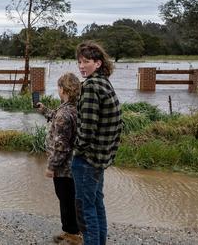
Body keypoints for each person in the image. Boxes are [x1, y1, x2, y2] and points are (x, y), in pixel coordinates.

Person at [72, 41, 122, 245]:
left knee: (86, 210)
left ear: (98, 63)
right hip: (101, 158)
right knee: (96, 204)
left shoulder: (92, 86)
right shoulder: (104, 82)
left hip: (88, 159)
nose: (81, 66)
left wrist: (76, 149)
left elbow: (88, 128)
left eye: (86, 62)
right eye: (79, 62)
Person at [36, 73, 82, 245]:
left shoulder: (64, 113)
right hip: (74, 164)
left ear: (62, 89)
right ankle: (73, 230)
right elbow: (58, 119)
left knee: (66, 198)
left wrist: (51, 166)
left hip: (64, 166)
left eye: (58, 87)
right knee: (70, 198)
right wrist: (44, 110)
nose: (58, 90)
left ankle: (72, 233)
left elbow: (61, 145)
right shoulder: (74, 107)